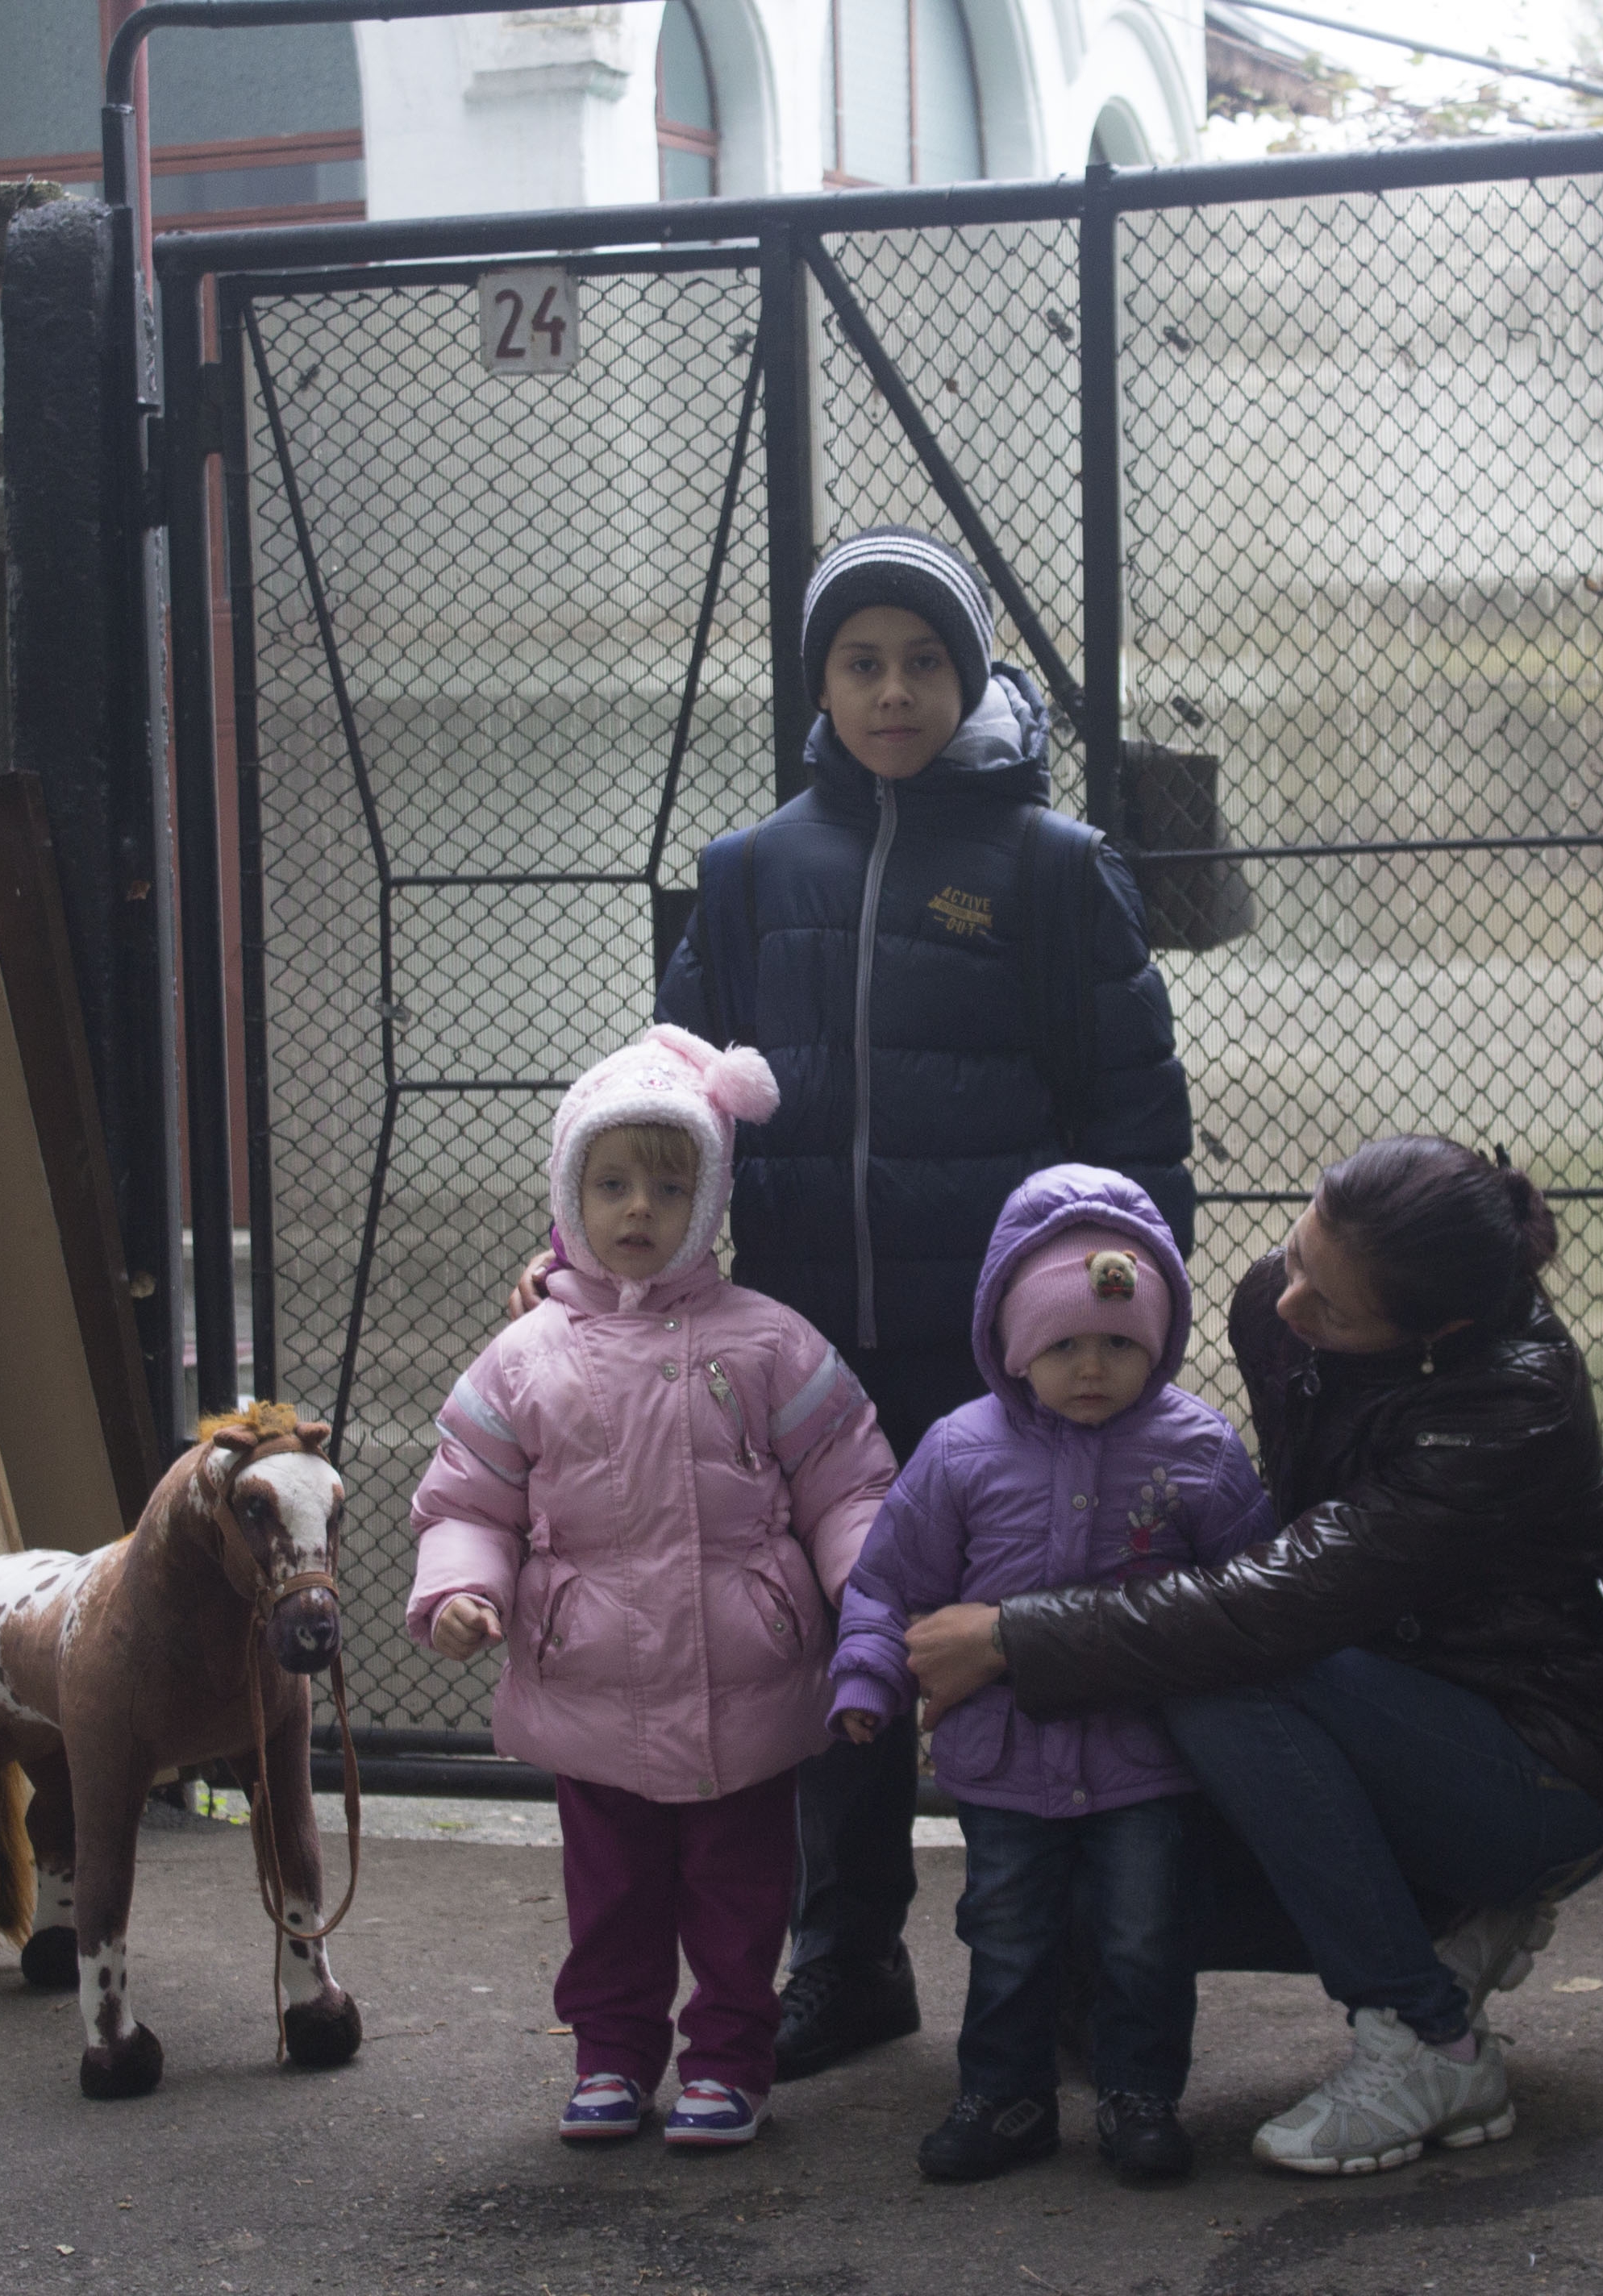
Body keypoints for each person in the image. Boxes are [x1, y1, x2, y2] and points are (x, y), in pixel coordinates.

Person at [511, 524, 1197, 2078]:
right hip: (806, 1349)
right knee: (839, 1653)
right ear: (820, 680)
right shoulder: (751, 876)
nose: (895, 692)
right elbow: (656, 1112)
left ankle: (1071, 1962)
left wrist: (1130, 1305)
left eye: (924, 661)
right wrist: (579, 1260)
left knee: (1031, 1636)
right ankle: (847, 1957)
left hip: (1013, 1360)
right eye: (861, 661)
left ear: (969, 675)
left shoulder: (1053, 866)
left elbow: (1135, 1122)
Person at [902, 1136, 1603, 2177]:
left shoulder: (1506, 1410)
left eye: (1334, 1309)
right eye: (1299, 1251)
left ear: (1438, 1331)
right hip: (1385, 1703)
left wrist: (1010, 1635)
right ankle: (1449, 1918)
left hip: (1534, 1767)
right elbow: (1267, 1554)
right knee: (1107, 1866)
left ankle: (1428, 2039)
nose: (1287, 1302)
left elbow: (1270, 1610)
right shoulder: (1279, 1310)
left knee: (1219, 1682)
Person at [410, 1026, 894, 2150]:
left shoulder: (769, 1343)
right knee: (611, 1899)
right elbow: (468, 1498)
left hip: (746, 1684)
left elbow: (848, 1479)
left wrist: (866, 1591)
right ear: (570, 1195)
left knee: (740, 1899)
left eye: (670, 1187)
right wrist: (458, 1595)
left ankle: (730, 2060)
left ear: (710, 1199)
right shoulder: (524, 1358)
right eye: (614, 1183)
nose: (640, 1209)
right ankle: (613, 2056)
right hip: (594, 1687)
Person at [827, 1165, 1270, 2186]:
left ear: (1155, 1341)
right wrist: (866, 1679)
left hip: (1147, 1762)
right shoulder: (959, 1451)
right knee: (1007, 1930)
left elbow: (1251, 1589)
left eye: (1119, 1342)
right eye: (1063, 1343)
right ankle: (1005, 2094)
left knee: (1146, 1934)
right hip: (1005, 1760)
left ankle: (1141, 2094)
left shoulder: (1197, 1449)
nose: (1091, 1367)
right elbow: (888, 1581)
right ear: (1014, 1344)